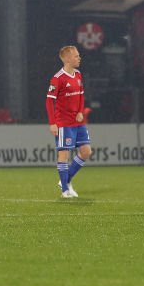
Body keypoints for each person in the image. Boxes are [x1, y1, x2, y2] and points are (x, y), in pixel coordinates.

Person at [46, 45, 93, 198]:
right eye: (75, 56)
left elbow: (81, 95)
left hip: (78, 122)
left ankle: (65, 180)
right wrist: (53, 123)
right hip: (64, 123)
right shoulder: (57, 78)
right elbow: (49, 102)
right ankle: (65, 190)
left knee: (86, 152)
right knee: (64, 154)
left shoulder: (78, 75)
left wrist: (80, 111)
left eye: (78, 56)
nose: (79, 58)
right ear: (66, 59)